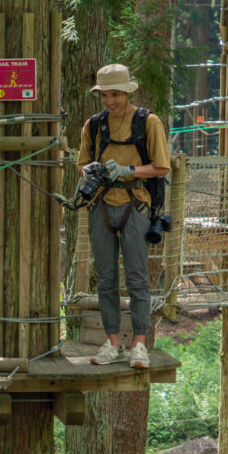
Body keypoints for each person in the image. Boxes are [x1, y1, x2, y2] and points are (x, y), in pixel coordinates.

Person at [78, 63, 170, 369]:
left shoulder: (149, 122)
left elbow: (162, 166)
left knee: (136, 278)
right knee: (105, 278)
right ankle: (113, 343)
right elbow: (83, 162)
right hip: (100, 204)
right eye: (105, 95)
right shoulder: (93, 125)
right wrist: (90, 170)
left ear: (127, 92)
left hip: (137, 203)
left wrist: (129, 171)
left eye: (115, 94)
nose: (110, 101)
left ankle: (139, 345)